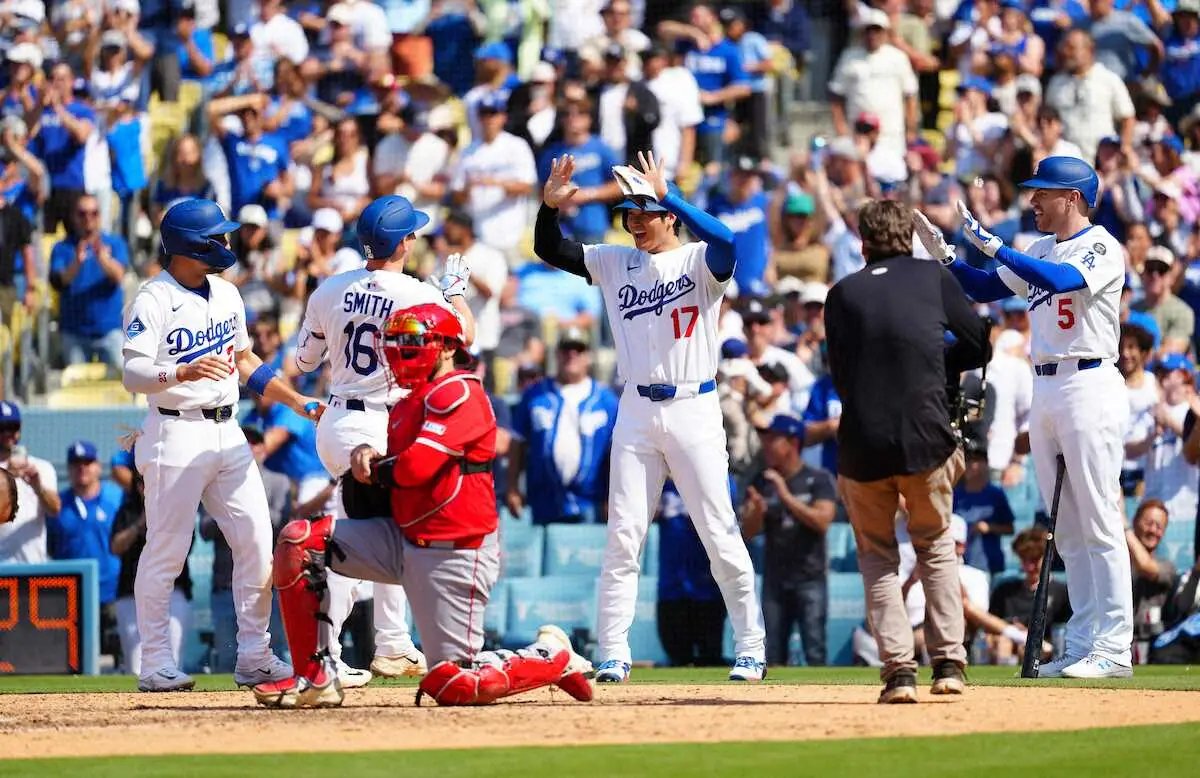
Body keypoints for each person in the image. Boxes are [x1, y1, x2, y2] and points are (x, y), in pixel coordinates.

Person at [252, 304, 594, 708]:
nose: (401, 350)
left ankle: (550, 656)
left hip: (455, 554)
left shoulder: (462, 391)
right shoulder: (406, 403)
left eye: (414, 340)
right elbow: (393, 472)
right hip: (404, 537)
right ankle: (314, 676)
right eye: (395, 341)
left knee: (455, 684)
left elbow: (415, 467)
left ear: (448, 347)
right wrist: (363, 453)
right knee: (299, 541)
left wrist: (371, 466)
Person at [534, 150, 767, 682]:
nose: (635, 222)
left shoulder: (697, 261)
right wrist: (548, 209)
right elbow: (549, 247)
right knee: (624, 535)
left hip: (694, 404)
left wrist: (672, 197)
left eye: (645, 213)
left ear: (669, 217)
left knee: (718, 531)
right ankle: (612, 650)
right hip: (636, 406)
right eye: (630, 214)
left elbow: (729, 242)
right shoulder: (617, 262)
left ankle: (751, 645)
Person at [916, 154, 1133, 678]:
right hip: (1048, 386)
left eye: (1043, 192)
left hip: (1089, 381)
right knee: (1070, 528)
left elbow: (1060, 282)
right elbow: (987, 286)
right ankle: (1083, 641)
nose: (1033, 200)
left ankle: (1116, 646)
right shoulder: (1038, 247)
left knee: (1100, 520)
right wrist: (948, 256)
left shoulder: (1103, 245)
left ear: (1073, 198)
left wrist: (994, 244)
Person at [120, 198, 323, 692]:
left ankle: (254, 655)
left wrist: (292, 398)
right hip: (175, 428)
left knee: (256, 540)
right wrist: (183, 370)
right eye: (218, 236)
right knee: (167, 548)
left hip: (227, 430)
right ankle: (155, 662)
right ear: (192, 244)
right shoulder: (153, 298)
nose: (227, 243)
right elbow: (133, 372)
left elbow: (246, 361)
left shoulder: (227, 294)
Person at [294, 194, 476, 683]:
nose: (415, 238)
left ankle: (393, 643)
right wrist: (456, 291)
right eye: (411, 233)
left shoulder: (329, 288)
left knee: (393, 530)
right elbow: (467, 336)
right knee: (352, 539)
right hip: (382, 423)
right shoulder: (417, 293)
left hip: (337, 418)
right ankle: (323, 655)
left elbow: (304, 362)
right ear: (402, 242)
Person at [826, 199, 990, 703]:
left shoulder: (842, 292)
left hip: (862, 443)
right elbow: (980, 343)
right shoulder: (931, 278)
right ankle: (948, 667)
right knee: (936, 548)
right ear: (910, 239)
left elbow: (841, 377)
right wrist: (936, 361)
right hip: (926, 436)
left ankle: (898, 673)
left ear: (863, 241)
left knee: (878, 559)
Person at [740, 415, 837, 667]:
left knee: (815, 651)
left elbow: (822, 521)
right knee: (772, 655)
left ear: (793, 443)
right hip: (775, 582)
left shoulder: (819, 479)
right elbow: (749, 532)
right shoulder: (761, 481)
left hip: (811, 579)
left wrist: (784, 495)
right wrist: (756, 512)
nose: (767, 445)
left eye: (774, 439)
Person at [507, 326, 619, 525]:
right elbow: (517, 444)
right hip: (544, 500)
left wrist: (613, 497)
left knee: (589, 555)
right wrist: (513, 487)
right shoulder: (534, 395)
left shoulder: (606, 400)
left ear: (588, 356)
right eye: (566, 349)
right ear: (556, 353)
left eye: (579, 349)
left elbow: (616, 453)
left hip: (591, 502)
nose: (572, 355)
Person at [200, 426, 290, 674]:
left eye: (255, 443)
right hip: (224, 584)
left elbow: (282, 525)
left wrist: (239, 511)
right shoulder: (214, 482)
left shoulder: (278, 481)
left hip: (267, 586)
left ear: (263, 449)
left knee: (274, 651)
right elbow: (205, 529)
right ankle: (219, 710)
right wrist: (237, 514)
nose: (250, 448)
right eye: (245, 442)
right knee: (227, 657)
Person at [47, 440, 125, 658]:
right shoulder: (58, 504)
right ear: (69, 468)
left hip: (113, 593)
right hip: (72, 598)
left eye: (87, 462)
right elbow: (52, 547)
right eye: (75, 463)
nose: (82, 468)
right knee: (74, 661)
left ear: (98, 466)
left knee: (123, 660)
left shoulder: (115, 498)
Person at [111, 470, 193, 676]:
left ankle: (170, 702)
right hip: (131, 593)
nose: (145, 487)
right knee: (135, 662)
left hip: (173, 590)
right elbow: (115, 547)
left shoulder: (175, 509)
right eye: (141, 482)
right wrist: (140, 524)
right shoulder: (127, 510)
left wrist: (160, 524)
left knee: (174, 655)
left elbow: (186, 547)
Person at [49, 194, 130, 368]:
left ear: (100, 216)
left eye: (94, 213)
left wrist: (103, 259)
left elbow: (119, 276)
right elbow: (58, 282)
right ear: (74, 217)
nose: (88, 219)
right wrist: (76, 264)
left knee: (121, 385)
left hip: (109, 330)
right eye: (82, 213)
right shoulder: (62, 248)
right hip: (74, 332)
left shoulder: (114, 244)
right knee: (76, 390)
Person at [656, 478, 728, 667]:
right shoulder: (662, 484)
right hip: (671, 586)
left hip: (707, 586)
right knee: (676, 658)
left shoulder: (719, 477)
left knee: (710, 657)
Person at [988, 528, 1072, 664]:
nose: (1029, 567)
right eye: (1024, 559)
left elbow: (1063, 634)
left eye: (1034, 560)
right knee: (1003, 643)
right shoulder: (1004, 590)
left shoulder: (1062, 592)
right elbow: (989, 630)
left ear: (1047, 558)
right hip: (1005, 648)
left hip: (1044, 652)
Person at [0, 400, 61, 563]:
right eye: (2, 428)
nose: (8, 434)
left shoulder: (41, 467)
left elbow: (55, 509)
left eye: (12, 427)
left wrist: (37, 487)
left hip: (32, 569)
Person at [1125, 499, 1179, 664]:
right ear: (1135, 522)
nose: (1153, 530)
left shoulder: (1167, 567)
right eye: (1149, 523)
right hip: (1112, 645)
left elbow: (1145, 566)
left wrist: (1124, 527)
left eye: (1159, 527)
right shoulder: (1115, 563)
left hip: (1151, 652)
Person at [952, 437, 1016, 575]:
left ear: (985, 463)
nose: (971, 465)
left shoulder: (995, 494)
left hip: (988, 564)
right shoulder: (953, 494)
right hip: (957, 564)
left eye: (976, 460)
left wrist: (988, 528)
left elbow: (1010, 528)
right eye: (967, 459)